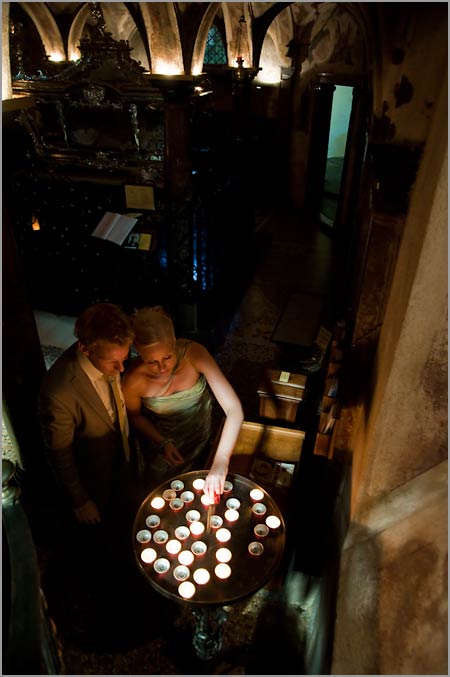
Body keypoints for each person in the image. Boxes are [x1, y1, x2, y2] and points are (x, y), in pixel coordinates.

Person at [122, 306, 244, 500]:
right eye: (151, 361)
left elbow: (234, 409)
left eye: (167, 357)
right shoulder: (132, 381)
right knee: (161, 493)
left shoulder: (194, 353)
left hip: (201, 432)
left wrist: (221, 461)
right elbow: (135, 416)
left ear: (174, 342)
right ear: (137, 351)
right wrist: (162, 442)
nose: (161, 367)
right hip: (163, 443)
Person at [38, 302, 136, 528]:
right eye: (113, 362)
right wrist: (80, 501)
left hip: (123, 458)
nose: (121, 369)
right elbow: (59, 453)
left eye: (125, 358)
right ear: (85, 349)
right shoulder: (59, 392)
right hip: (94, 478)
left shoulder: (108, 356)